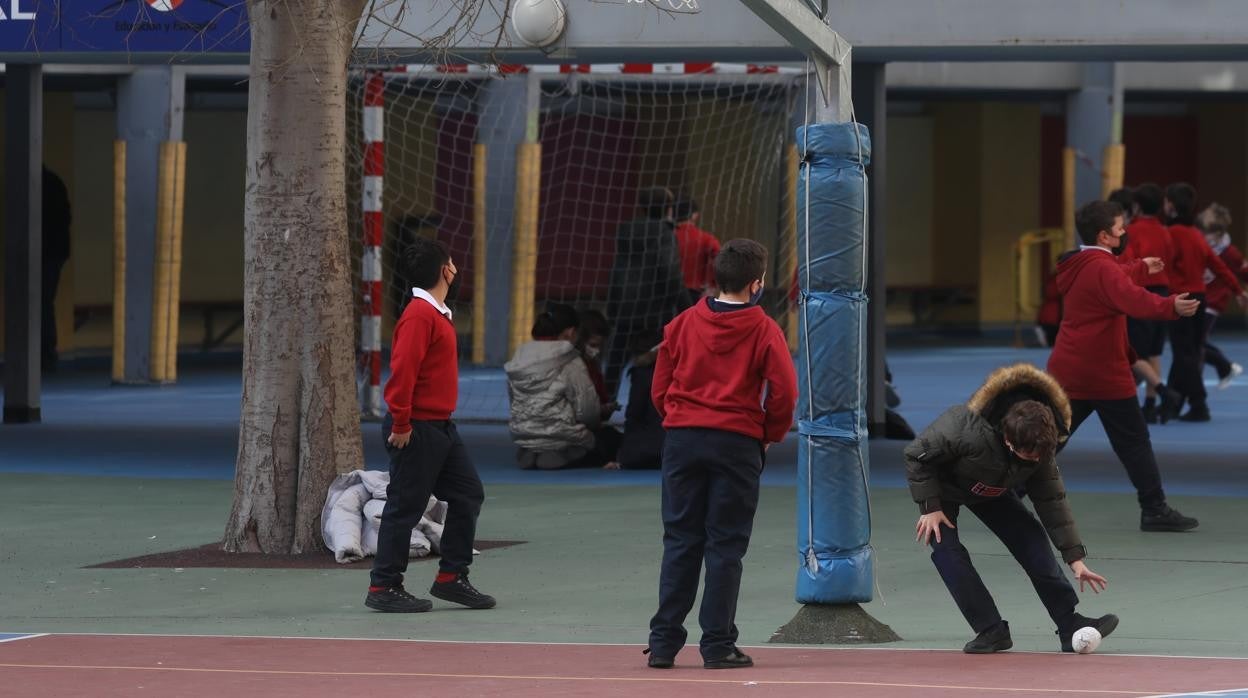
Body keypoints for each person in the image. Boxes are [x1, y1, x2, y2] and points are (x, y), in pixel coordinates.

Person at [645, 239, 797, 670]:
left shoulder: (681, 324)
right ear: (756, 284)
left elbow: (660, 387)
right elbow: (785, 392)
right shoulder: (765, 329)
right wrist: (768, 433)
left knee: (679, 541)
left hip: (683, 439)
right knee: (725, 547)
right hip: (736, 443)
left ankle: (662, 644)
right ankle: (717, 644)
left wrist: (679, 419)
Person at [906, 364, 1118, 654]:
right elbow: (917, 455)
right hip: (944, 489)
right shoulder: (964, 428)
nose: (1033, 461)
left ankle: (1069, 623)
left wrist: (1075, 559)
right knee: (947, 552)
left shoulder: (1042, 444)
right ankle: (990, 629)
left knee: (1031, 538)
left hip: (991, 488)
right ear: (1008, 439)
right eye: (1026, 455)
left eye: (1038, 456)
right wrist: (930, 506)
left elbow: (1052, 502)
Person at [1046, 200, 1200, 532]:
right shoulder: (1101, 268)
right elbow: (1131, 298)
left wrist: (1140, 266)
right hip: (1103, 371)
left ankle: (1004, 491)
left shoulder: (1082, 262)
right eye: (1120, 228)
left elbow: (1111, 275)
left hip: (1069, 368)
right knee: (1134, 441)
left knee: (1048, 438)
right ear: (1105, 236)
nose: (1124, 232)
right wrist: (1171, 305)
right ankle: (1154, 509)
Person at [366, 237, 495, 613]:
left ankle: (451, 577)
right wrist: (402, 422)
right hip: (416, 427)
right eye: (452, 261)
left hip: (440, 427)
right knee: (405, 506)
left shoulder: (435, 313)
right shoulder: (420, 316)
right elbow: (403, 372)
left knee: (468, 493)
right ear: (447, 270)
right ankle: (383, 586)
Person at [1163, 183, 1247, 422]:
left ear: (1170, 205)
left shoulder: (1174, 234)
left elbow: (1163, 264)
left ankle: (1196, 402)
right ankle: (1174, 403)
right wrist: (1238, 291)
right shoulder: (1196, 237)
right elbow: (1218, 266)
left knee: (1185, 354)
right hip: (1200, 297)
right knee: (1189, 353)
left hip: (1182, 298)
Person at [505, 304, 621, 470]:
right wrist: (598, 417)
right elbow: (587, 411)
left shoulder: (518, 358)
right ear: (571, 332)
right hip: (562, 437)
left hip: (524, 435)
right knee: (610, 438)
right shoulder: (571, 360)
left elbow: (514, 401)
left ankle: (533, 451)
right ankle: (560, 452)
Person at [606, 186, 691, 394]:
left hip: (624, 304)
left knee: (615, 362)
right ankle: (646, 412)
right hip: (655, 309)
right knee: (655, 363)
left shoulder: (626, 231)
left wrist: (613, 305)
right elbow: (669, 272)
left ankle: (604, 404)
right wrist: (687, 307)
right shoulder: (664, 233)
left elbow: (618, 270)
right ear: (669, 208)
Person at [1121, 184, 1177, 422]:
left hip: (1142, 291)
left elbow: (1129, 261)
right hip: (1163, 290)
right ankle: (1151, 403)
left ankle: (1163, 391)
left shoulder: (1131, 230)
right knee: (1154, 351)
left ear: (1137, 206)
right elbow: (1171, 258)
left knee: (1134, 353)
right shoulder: (1165, 231)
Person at [1196, 204, 1248, 389]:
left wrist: (1240, 292)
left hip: (1214, 301)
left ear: (1218, 234)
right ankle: (1224, 368)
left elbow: (1243, 272)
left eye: (1207, 232)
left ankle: (1224, 367)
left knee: (1197, 342)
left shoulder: (1229, 252)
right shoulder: (1200, 244)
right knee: (1195, 342)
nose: (1202, 235)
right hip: (1199, 297)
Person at [616, 330, 665, 470]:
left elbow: (634, 416)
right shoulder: (679, 370)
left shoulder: (642, 375)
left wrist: (622, 457)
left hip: (650, 449)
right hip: (677, 448)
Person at [42, 166, 72, 371]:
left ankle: (45, 350)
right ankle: (47, 351)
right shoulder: (54, 182)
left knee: (41, 302)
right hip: (55, 251)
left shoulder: (40, 186)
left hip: (46, 252)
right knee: (45, 301)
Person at [673, 197, 722, 306]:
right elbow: (721, 261)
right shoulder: (705, 238)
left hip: (667, 295)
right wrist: (712, 284)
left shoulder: (667, 237)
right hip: (695, 295)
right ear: (695, 215)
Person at [575, 309, 619, 421]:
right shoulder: (571, 368)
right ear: (579, 341)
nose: (597, 351)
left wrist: (606, 407)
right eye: (593, 345)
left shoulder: (594, 365)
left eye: (600, 346)